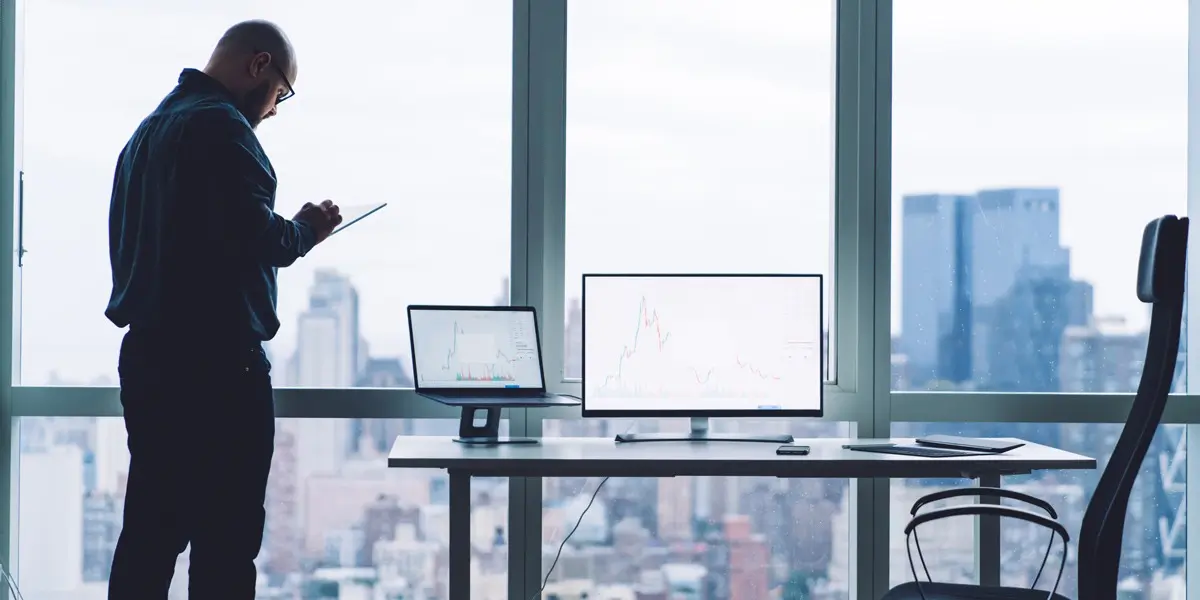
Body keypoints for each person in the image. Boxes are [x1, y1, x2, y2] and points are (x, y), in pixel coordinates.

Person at [104, 20, 341, 599]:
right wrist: (308, 229)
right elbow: (259, 239)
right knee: (226, 543)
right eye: (281, 92)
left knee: (150, 535)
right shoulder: (225, 130)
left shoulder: (145, 133)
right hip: (217, 367)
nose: (275, 109)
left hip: (149, 359)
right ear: (258, 66)